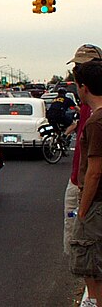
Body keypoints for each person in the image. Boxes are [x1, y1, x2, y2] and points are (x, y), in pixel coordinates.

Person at [70, 57, 102, 305]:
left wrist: (82, 211)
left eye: (76, 85)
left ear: (84, 88)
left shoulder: (96, 123)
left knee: (93, 264)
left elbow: (94, 172)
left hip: (96, 204)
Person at [65, 45, 102, 256]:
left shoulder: (97, 115)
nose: (78, 69)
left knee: (83, 251)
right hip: (79, 182)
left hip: (91, 193)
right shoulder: (87, 103)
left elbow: (95, 170)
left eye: (82, 65)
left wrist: (82, 210)